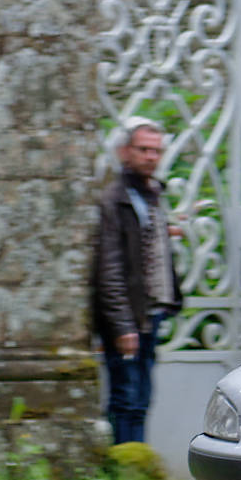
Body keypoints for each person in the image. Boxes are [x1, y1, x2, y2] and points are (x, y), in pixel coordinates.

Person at [91, 118, 183, 446]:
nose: (151, 157)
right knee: (126, 396)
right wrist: (121, 325)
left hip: (150, 313)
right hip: (128, 318)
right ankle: (124, 465)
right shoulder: (115, 199)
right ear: (124, 152)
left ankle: (136, 460)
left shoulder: (152, 194)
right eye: (143, 149)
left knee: (141, 395)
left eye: (156, 151)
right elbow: (109, 267)